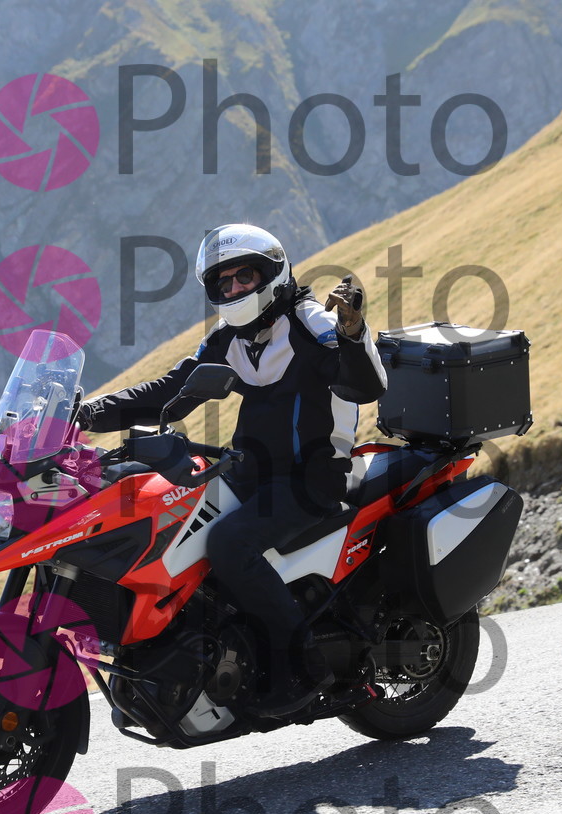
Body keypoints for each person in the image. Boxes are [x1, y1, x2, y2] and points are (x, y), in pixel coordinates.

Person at [78, 223, 387, 717]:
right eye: (224, 282)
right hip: (249, 471)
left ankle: (304, 667)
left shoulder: (312, 323)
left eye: (245, 276)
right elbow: (170, 392)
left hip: (312, 478)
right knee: (170, 523)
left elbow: (365, 386)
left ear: (271, 274)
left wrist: (352, 334)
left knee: (229, 544)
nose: (235, 288)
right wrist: (90, 413)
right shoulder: (231, 339)